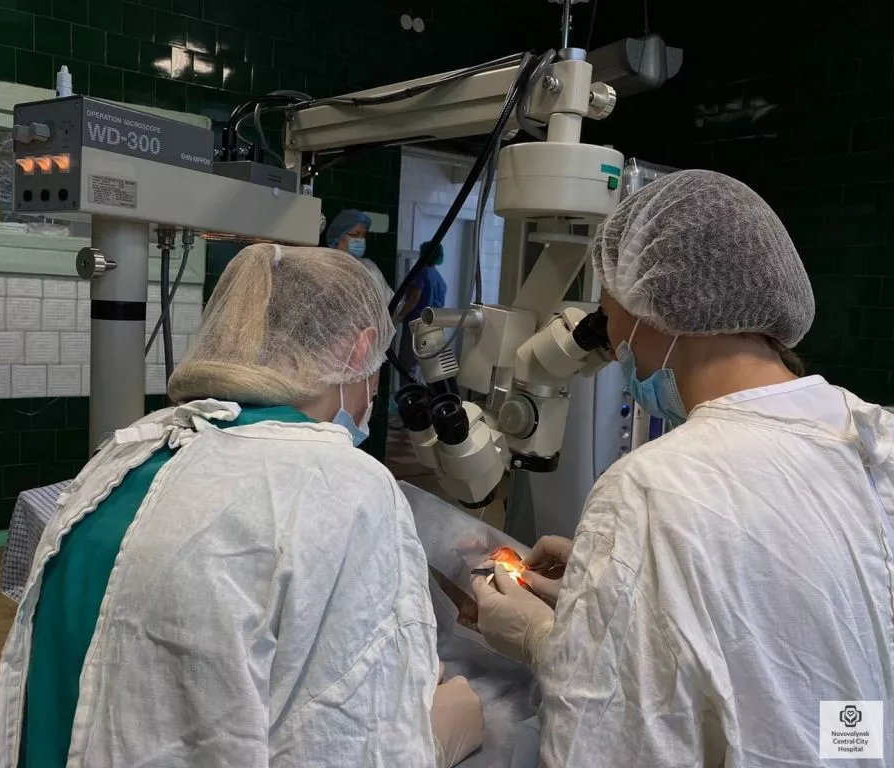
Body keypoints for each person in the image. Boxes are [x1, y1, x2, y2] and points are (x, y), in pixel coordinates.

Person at [0, 245, 482, 768]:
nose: (373, 392)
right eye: (376, 369)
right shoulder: (344, 486)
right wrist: (433, 736)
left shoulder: (132, 448)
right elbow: (347, 738)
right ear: (359, 348)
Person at [472, 170, 894, 767]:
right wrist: (621, 593)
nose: (612, 345)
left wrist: (545, 641)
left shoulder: (651, 489)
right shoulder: (872, 435)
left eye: (608, 315)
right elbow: (802, 638)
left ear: (652, 310)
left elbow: (609, 740)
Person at [395, 240, 448, 378]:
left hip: (417, 326)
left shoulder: (422, 274)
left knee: (407, 367)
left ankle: (409, 392)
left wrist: (398, 317)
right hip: (434, 327)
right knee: (430, 369)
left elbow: (413, 299)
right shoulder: (441, 281)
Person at [326, 209, 388, 285]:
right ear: (338, 237)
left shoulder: (370, 268)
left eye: (364, 235)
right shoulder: (325, 267)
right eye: (355, 234)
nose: (361, 239)